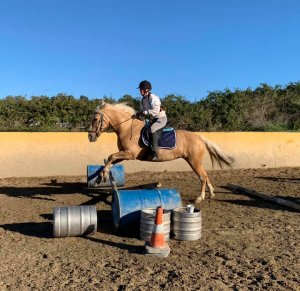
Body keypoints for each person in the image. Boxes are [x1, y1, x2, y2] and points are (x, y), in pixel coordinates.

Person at [135, 80, 167, 160]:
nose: (140, 91)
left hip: (161, 118)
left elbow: (155, 111)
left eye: (141, 89)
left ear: (146, 89)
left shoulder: (153, 97)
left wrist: (144, 112)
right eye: (140, 89)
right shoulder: (142, 100)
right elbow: (143, 112)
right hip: (153, 119)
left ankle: (154, 152)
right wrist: (137, 114)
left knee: (152, 129)